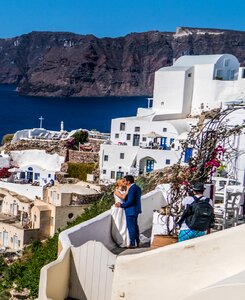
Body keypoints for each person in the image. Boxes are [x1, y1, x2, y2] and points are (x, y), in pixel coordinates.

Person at [115, 175, 142, 248]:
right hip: (136, 209)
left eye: (125, 181)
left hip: (131, 210)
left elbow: (130, 201)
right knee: (135, 226)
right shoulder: (137, 187)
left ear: (128, 181)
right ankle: (137, 241)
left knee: (131, 227)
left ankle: (133, 243)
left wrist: (121, 205)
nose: (124, 182)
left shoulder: (132, 189)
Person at [111, 179, 130, 248]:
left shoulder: (124, 190)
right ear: (119, 184)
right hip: (118, 209)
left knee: (125, 225)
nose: (125, 182)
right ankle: (120, 240)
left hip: (123, 208)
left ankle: (126, 240)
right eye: (123, 182)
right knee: (119, 224)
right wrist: (128, 189)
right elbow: (122, 197)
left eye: (125, 181)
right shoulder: (116, 191)